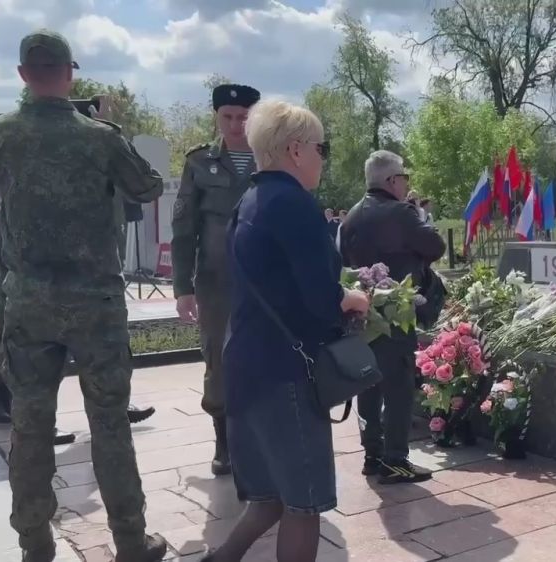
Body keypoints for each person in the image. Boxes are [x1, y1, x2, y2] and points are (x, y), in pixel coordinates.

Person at [0, 29, 166, 561]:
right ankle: (129, 542)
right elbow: (148, 186)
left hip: (28, 304)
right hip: (96, 306)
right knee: (110, 424)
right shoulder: (100, 138)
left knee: (30, 423)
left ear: (24, 75)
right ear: (70, 72)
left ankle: (35, 544)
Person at [204, 100, 368, 562]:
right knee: (304, 502)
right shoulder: (293, 203)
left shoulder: (249, 200)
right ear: (296, 150)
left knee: (270, 498)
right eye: (322, 147)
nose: (323, 156)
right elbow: (320, 299)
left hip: (246, 368)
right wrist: (352, 300)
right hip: (286, 373)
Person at [0, 200, 156, 438]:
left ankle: (110, 405)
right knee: (41, 352)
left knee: (74, 344)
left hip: (38, 286)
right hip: (19, 287)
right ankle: (25, 413)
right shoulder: (21, 195)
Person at [340, 151, 446, 484]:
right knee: (398, 388)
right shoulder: (401, 213)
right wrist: (417, 215)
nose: (406, 183)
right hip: (396, 314)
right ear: (391, 181)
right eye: (404, 177)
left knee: (367, 386)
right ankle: (396, 459)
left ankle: (372, 455)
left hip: (362, 315)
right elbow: (436, 246)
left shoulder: (351, 218)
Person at [172, 83, 261, 476]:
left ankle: (260, 438)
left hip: (263, 281)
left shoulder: (271, 157)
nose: (236, 124)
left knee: (265, 357)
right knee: (219, 360)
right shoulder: (199, 163)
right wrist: (183, 288)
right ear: (217, 117)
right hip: (216, 282)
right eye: (228, 116)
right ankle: (223, 443)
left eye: (243, 117)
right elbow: (183, 228)